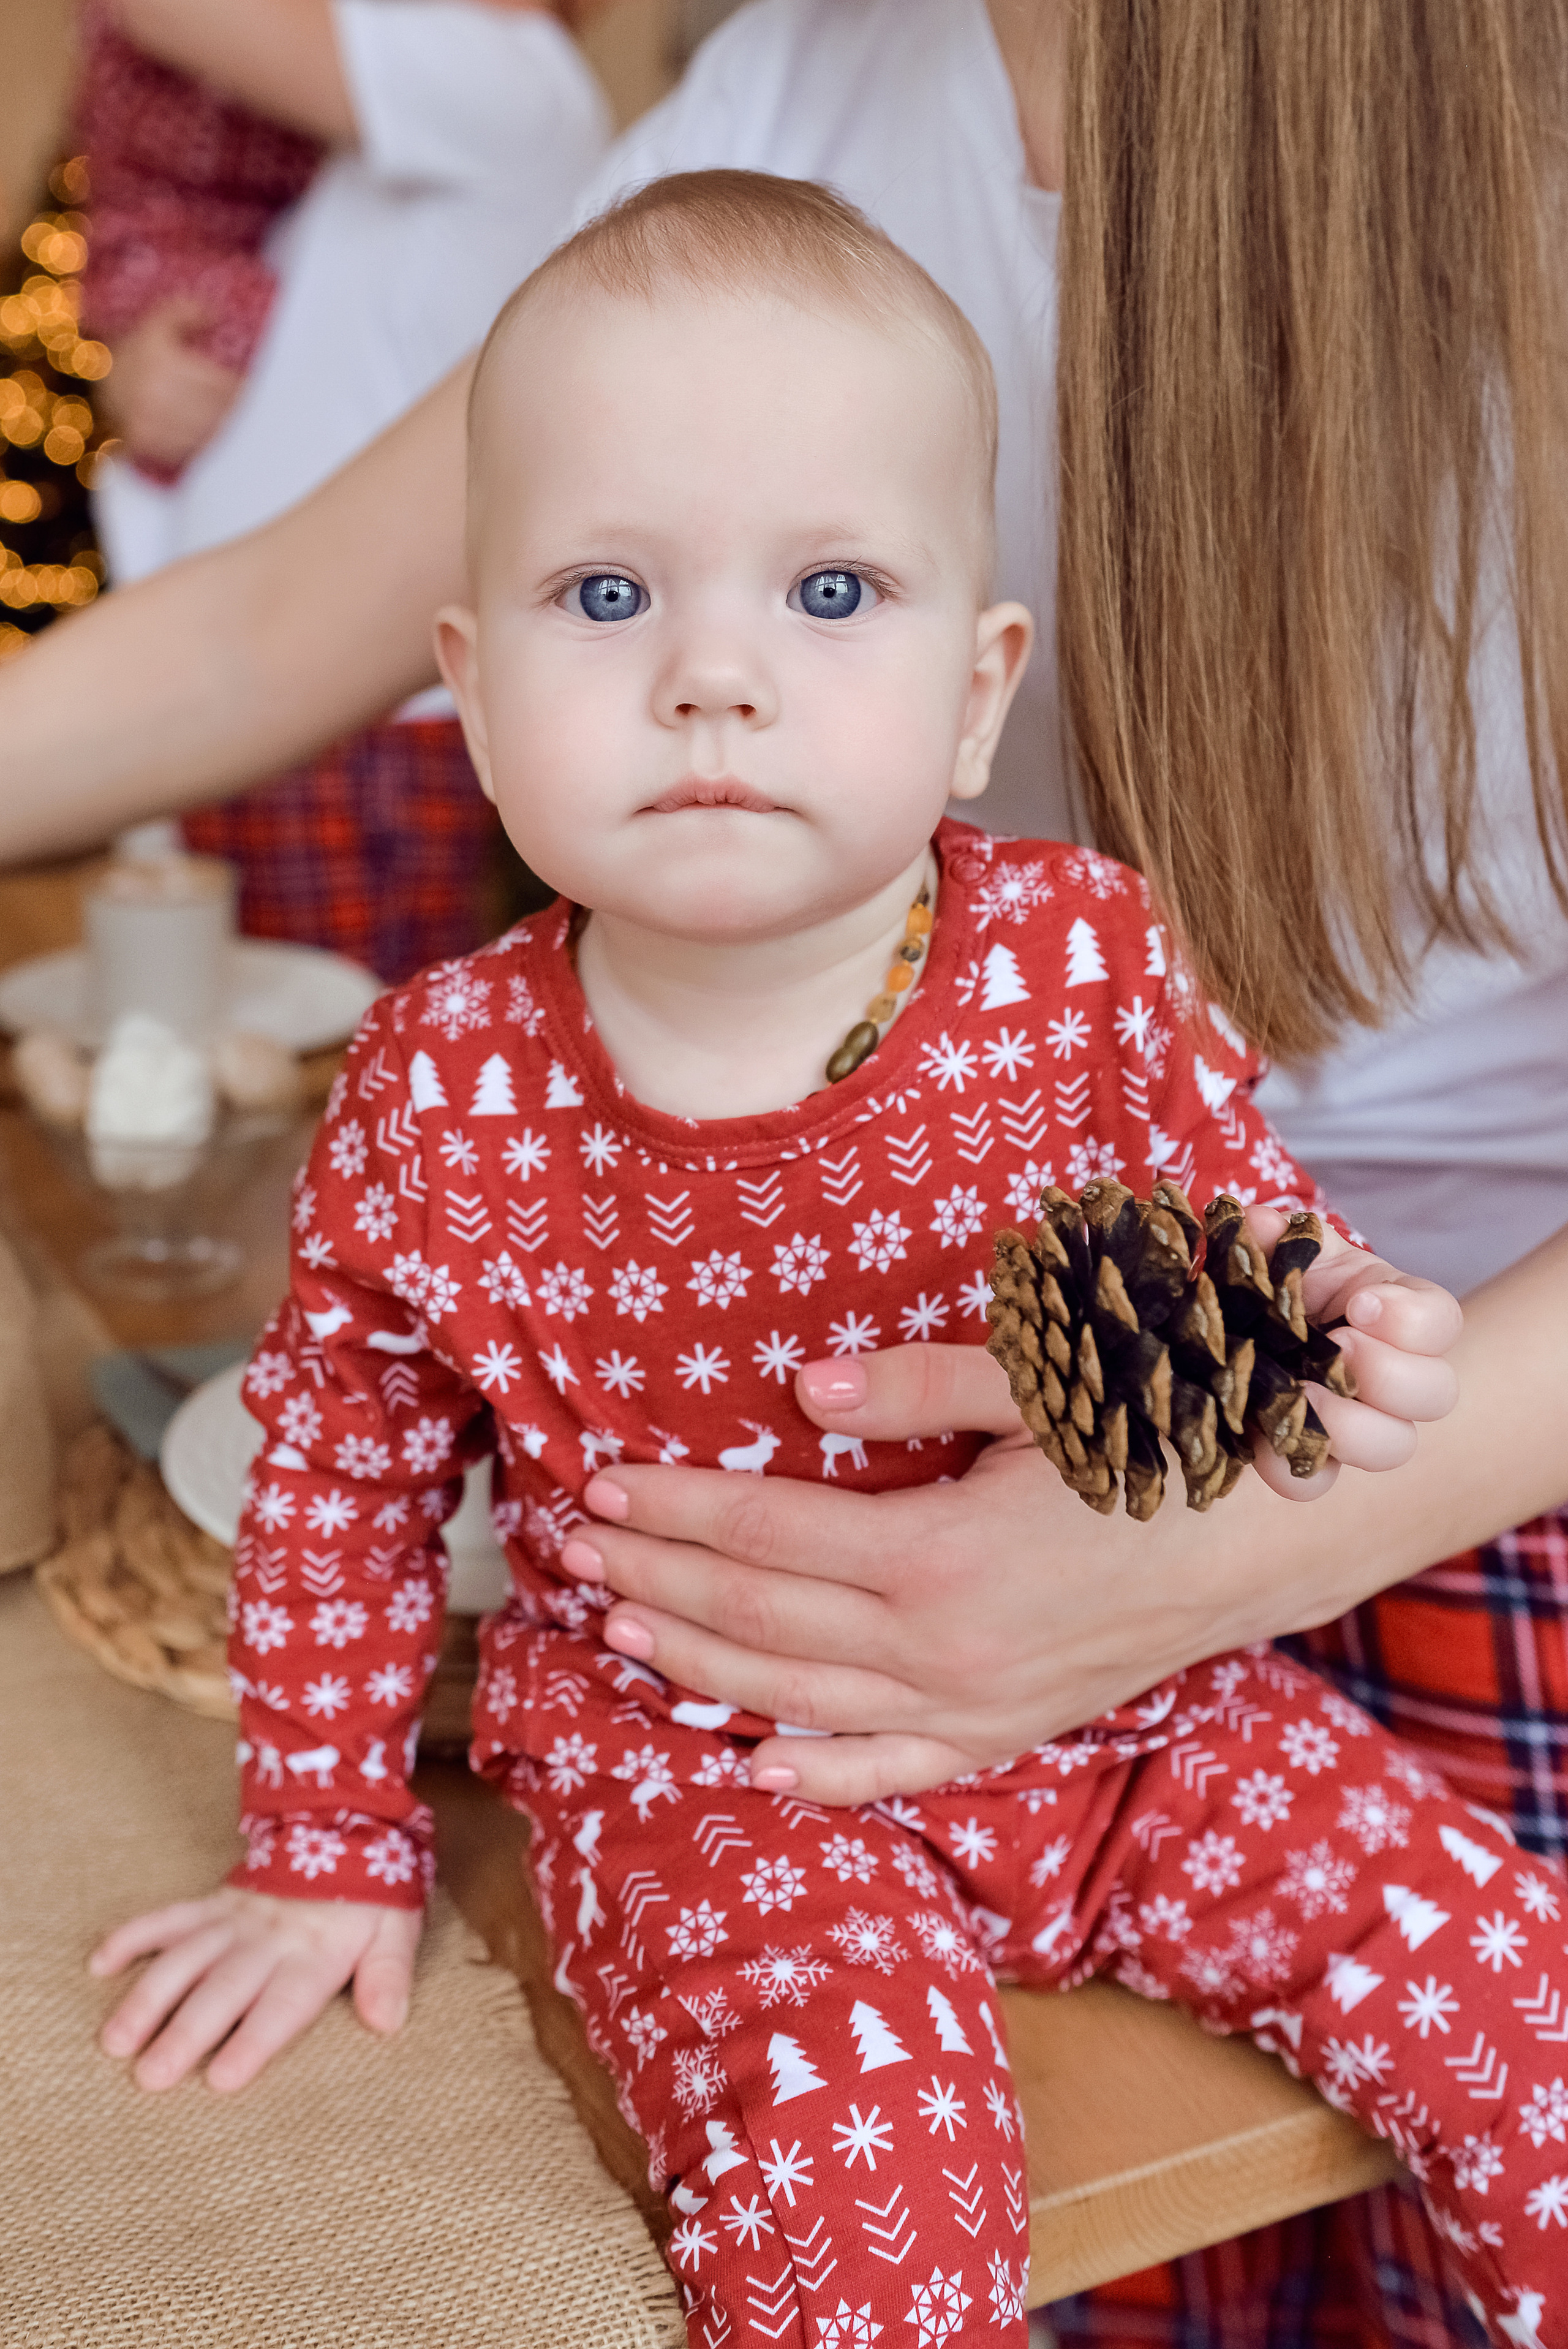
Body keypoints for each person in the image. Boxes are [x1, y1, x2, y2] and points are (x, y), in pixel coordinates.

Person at [4, 2, 1564, 2337]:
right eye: (608, 603)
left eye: (830, 598)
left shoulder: (1084, 950)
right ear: (474, 672)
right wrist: (329, 1846)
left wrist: (1312, 1378)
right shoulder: (443, 1087)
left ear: (975, 681)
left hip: (1199, 1676)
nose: (713, 680)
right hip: (727, 1777)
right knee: (859, 2181)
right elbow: (340, 1456)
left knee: (1510, 2008)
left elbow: (1242, 1243)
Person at [83, 0, 611, 978]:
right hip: (269, 689)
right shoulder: (360, 117)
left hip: (347, 721)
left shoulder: (508, 81)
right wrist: (135, 365)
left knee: (342, 1083)